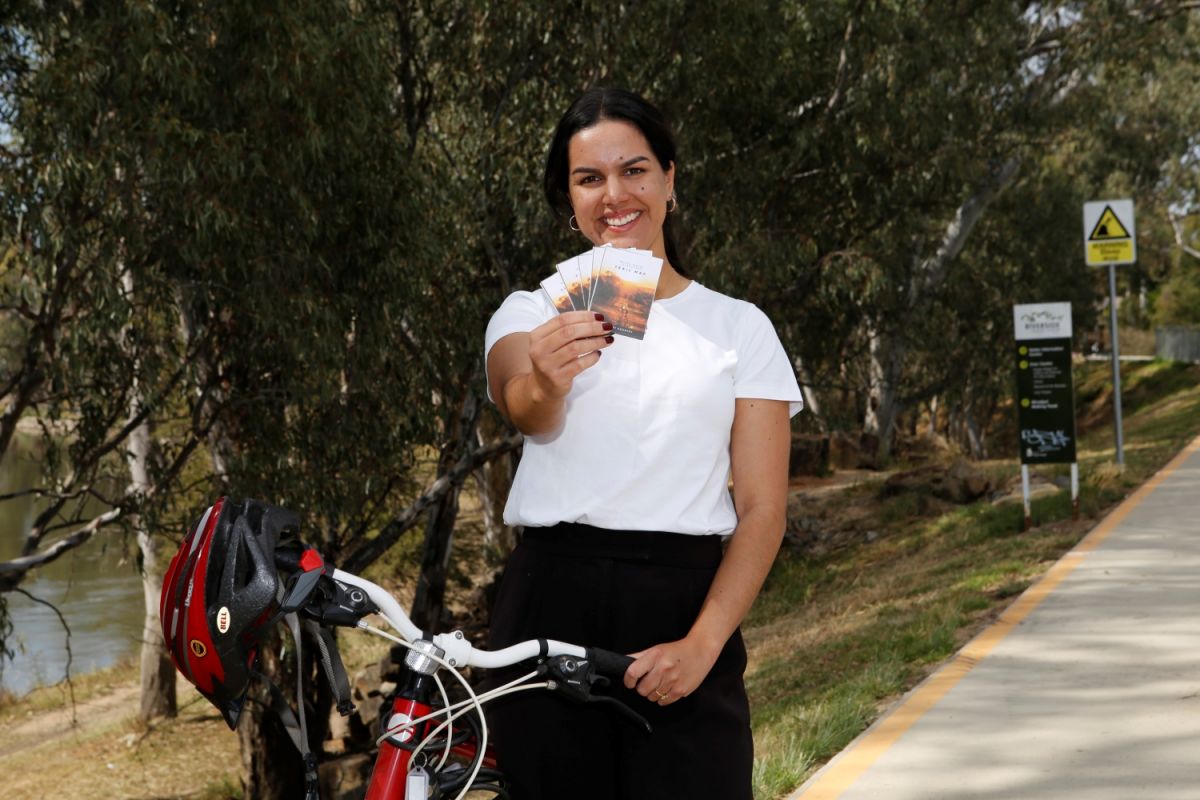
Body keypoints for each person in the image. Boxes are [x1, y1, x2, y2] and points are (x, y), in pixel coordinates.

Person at [483, 87, 803, 800]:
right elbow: (524, 410)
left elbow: (762, 510)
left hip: (685, 603)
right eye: (589, 178)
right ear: (568, 197)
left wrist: (703, 643)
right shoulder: (533, 310)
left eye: (634, 170)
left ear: (670, 180)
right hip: (548, 604)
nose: (614, 195)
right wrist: (547, 377)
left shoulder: (739, 328)